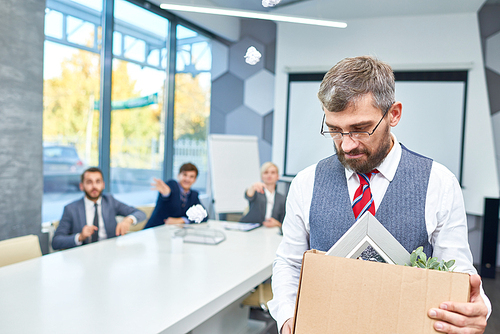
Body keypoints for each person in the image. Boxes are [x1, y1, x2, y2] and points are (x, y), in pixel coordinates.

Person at [268, 56, 491, 334]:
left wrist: (473, 309)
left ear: (394, 114)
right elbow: (289, 262)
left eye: (361, 129)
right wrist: (288, 316)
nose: (347, 145)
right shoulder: (305, 182)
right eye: (335, 130)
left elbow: (459, 274)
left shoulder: (440, 182)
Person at [52, 167, 146, 250]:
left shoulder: (110, 201)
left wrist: (128, 220)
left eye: (98, 182)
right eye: (89, 182)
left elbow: (140, 213)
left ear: (103, 185)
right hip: (84, 257)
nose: (94, 186)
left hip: (110, 253)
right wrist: (80, 236)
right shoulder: (71, 209)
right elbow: (56, 242)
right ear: (81, 186)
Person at [144, 162, 207, 228]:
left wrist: (182, 220)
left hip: (172, 233)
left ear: (195, 180)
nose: (187, 179)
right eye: (185, 175)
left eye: (191, 176)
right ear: (178, 175)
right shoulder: (172, 185)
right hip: (154, 230)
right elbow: (168, 194)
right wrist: (167, 193)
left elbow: (204, 215)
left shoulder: (193, 195)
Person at [239, 162, 286, 228]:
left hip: (271, 231)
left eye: (273, 172)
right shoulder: (257, 192)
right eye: (266, 172)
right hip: (251, 229)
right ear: (261, 176)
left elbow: (284, 221)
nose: (269, 175)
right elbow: (248, 195)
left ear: (278, 176)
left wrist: (277, 224)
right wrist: (253, 187)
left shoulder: (282, 198)